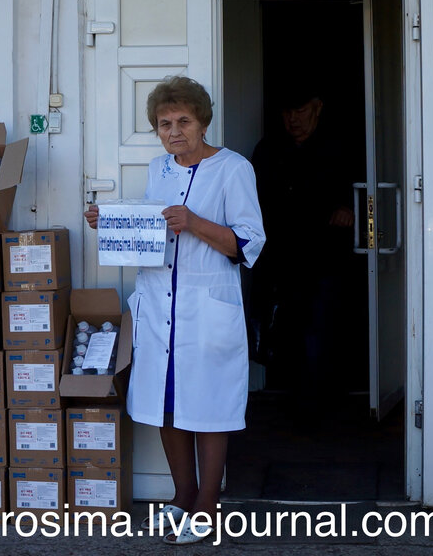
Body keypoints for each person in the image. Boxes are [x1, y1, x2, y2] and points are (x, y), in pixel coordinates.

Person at [85, 76, 265, 545]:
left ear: (203, 122)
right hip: (158, 299)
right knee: (165, 405)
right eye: (164, 123)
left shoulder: (233, 169)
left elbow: (249, 242)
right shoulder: (159, 169)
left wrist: (196, 223)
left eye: (183, 120)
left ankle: (208, 502)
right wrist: (110, 224)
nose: (174, 130)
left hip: (207, 305)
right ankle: (182, 495)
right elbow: (151, 233)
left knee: (208, 406)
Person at [250, 83, 360, 397]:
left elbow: (364, 193)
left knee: (321, 331)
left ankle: (318, 407)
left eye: (300, 111)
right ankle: (289, 407)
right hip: (279, 259)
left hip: (324, 258)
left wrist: (348, 209)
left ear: (317, 108)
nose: (292, 120)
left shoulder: (340, 147)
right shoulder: (268, 149)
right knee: (281, 334)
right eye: (287, 112)